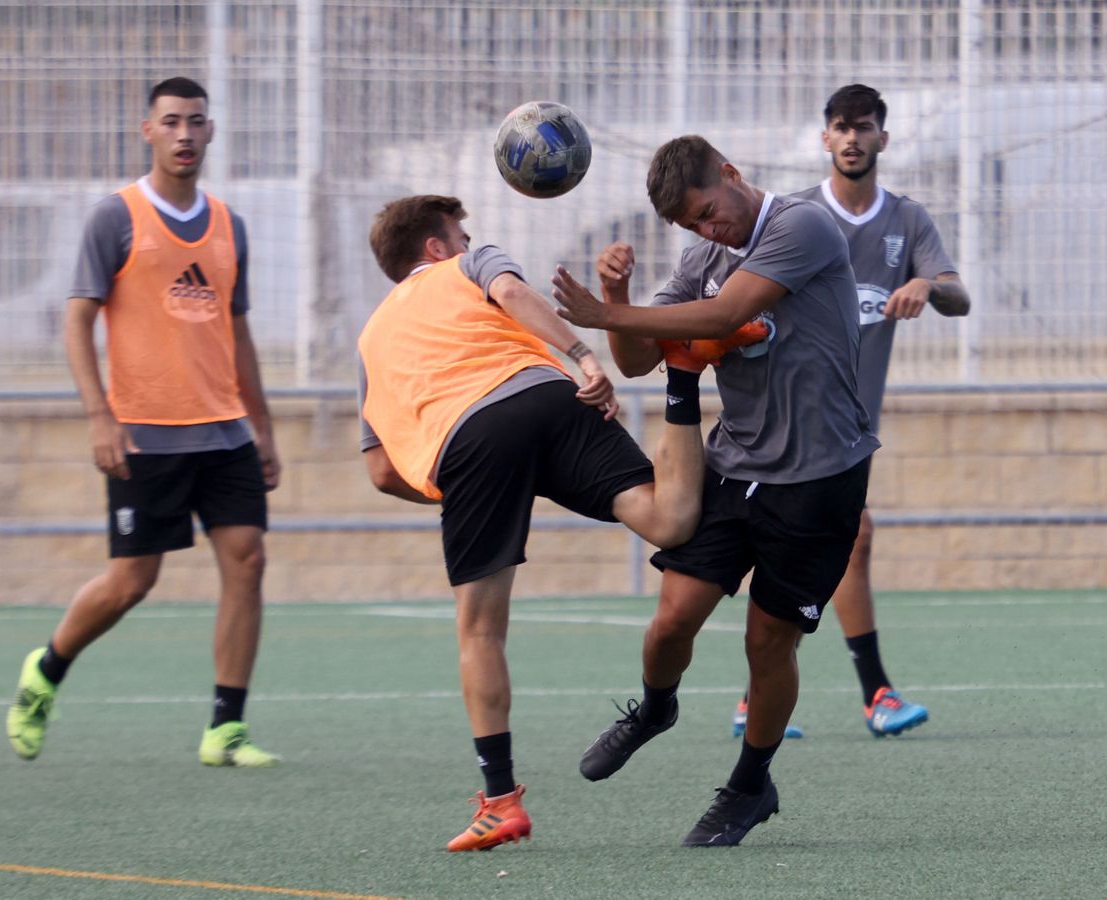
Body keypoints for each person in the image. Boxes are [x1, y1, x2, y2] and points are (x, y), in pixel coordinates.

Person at [357, 194, 761, 852]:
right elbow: (513, 292)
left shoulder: (369, 343)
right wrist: (582, 356)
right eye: (459, 233)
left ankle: (500, 802)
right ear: (434, 247)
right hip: (547, 395)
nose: (468, 240)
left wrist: (473, 489)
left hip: (467, 442)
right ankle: (684, 374)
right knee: (668, 520)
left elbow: (379, 470)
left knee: (480, 630)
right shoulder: (467, 265)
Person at [552, 136, 876, 847]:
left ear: (731, 175)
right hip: (736, 463)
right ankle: (656, 708)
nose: (707, 232)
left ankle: (750, 784)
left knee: (768, 640)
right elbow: (640, 361)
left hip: (819, 475)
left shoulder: (802, 225)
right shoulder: (702, 256)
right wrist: (615, 296)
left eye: (708, 213)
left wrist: (601, 317)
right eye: (692, 227)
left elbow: (723, 317)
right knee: (672, 619)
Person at [6, 77, 282, 768]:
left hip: (224, 431)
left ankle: (226, 727)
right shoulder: (116, 217)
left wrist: (263, 424)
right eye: (171, 122)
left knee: (247, 561)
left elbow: (236, 330)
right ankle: (48, 668)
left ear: (211, 132)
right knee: (133, 582)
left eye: (196, 122)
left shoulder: (230, 225)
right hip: (145, 432)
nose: (185, 134)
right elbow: (77, 320)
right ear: (147, 130)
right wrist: (100, 415)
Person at [730, 84, 970, 741]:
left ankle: (761, 695)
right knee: (848, 539)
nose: (853, 138)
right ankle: (874, 694)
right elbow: (733, 294)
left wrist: (927, 284)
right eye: (841, 127)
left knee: (825, 544)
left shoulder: (907, 221)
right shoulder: (798, 216)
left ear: (883, 139)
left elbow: (959, 295)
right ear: (825, 138)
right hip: (785, 419)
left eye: (865, 127)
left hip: (850, 428)